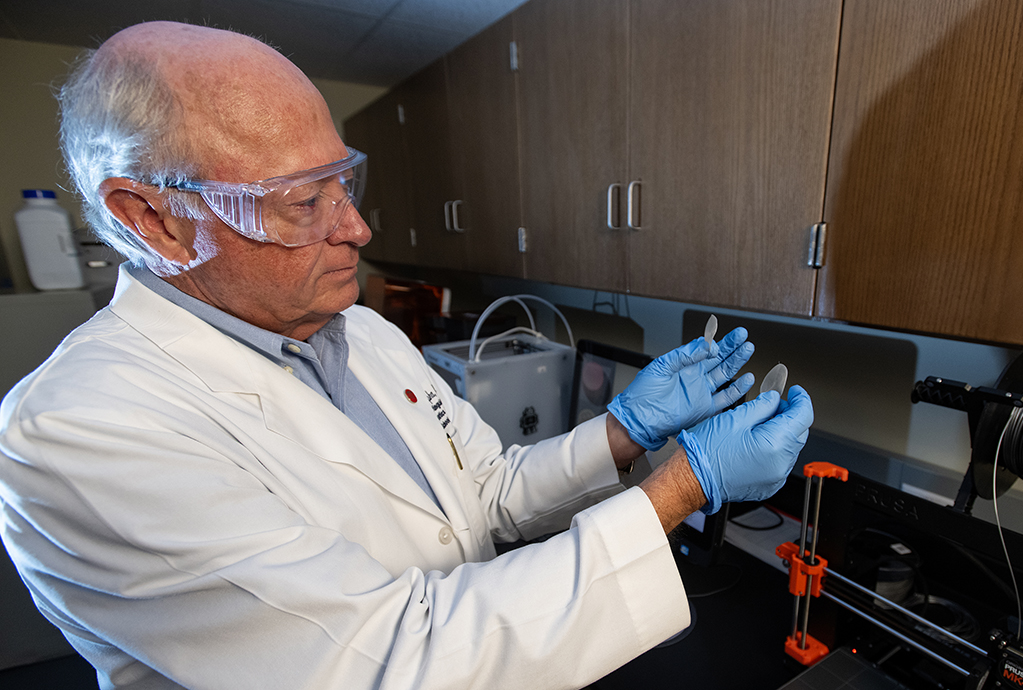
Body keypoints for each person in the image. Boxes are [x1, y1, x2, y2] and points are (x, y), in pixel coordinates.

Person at [0, 21, 813, 690]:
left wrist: (628, 430)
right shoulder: (79, 431)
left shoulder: (365, 334)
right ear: (155, 221)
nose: (354, 227)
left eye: (342, 183)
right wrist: (684, 485)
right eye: (299, 202)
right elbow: (391, 657)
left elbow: (486, 495)